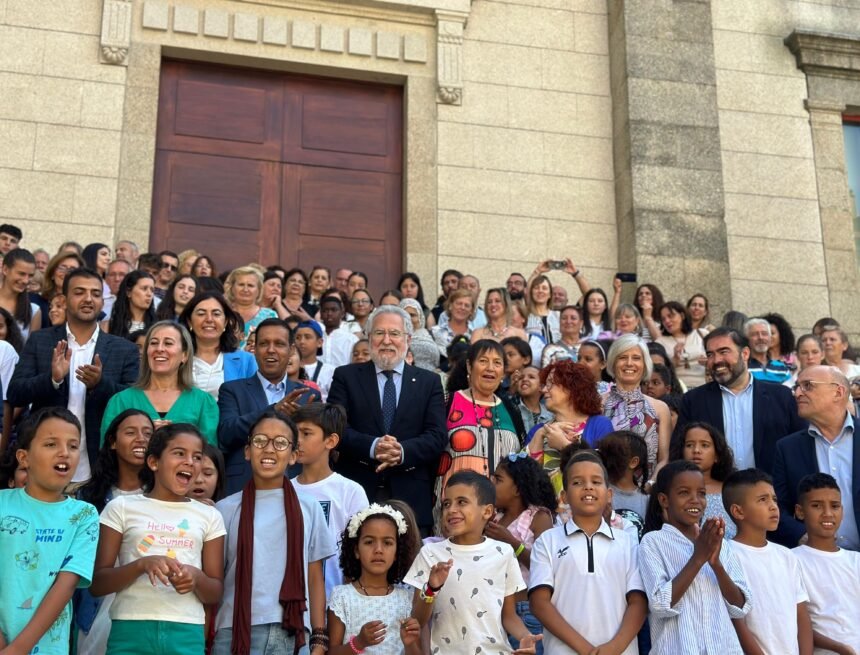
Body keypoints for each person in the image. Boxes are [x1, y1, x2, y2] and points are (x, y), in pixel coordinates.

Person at [90, 423, 226, 655]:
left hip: (187, 631)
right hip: (130, 628)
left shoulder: (210, 515)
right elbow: (98, 583)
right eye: (179, 453)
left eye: (197, 457)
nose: (189, 462)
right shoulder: (121, 508)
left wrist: (195, 578)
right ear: (153, 462)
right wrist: (142, 564)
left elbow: (214, 591)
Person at [211, 408, 334, 655]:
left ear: (293, 455)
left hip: (292, 631)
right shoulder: (224, 510)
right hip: (234, 629)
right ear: (247, 451)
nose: (269, 449)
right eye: (259, 441)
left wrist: (319, 639)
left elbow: (314, 576)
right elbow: (215, 579)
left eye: (280, 443)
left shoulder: (308, 507)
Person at [8, 268, 141, 482]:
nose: (89, 299)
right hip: (45, 465)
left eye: (96, 294)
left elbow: (135, 402)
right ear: (64, 298)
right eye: (79, 292)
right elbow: (15, 394)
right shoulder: (40, 341)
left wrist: (100, 384)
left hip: (99, 466)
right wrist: (53, 379)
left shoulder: (124, 349)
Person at [328, 305, 447, 535]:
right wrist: (374, 447)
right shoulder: (346, 377)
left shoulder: (429, 382)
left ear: (408, 339)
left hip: (411, 495)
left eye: (394, 333)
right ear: (368, 337)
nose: (386, 340)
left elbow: (437, 435)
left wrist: (401, 451)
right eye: (379, 333)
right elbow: (335, 427)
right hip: (356, 490)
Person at [404, 471, 542, 654]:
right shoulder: (430, 553)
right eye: (447, 504)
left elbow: (509, 616)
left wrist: (525, 636)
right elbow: (418, 621)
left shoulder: (503, 553)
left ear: (487, 511)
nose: (451, 509)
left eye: (461, 502)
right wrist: (431, 588)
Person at [0, 407, 99, 655]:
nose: (64, 453)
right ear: (24, 458)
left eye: (73, 446)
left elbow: (65, 586)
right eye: (51, 444)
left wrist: (18, 649)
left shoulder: (84, 515)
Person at [530, 450, 647, 654]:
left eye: (596, 481)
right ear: (564, 496)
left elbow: (638, 602)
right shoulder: (547, 541)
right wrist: (585, 649)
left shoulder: (628, 542)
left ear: (609, 494)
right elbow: (539, 603)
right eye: (577, 482)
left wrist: (614, 647)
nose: (588, 486)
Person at [639, 460, 752, 654]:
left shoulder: (719, 543)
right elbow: (659, 604)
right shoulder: (653, 542)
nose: (695, 500)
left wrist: (716, 565)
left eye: (701, 493)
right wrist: (698, 558)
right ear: (664, 500)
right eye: (684, 493)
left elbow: (740, 606)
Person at [673, 327, 805, 474]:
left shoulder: (782, 397)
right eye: (710, 354)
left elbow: (800, 447)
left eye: (724, 352)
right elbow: (679, 452)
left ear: (745, 354)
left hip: (771, 492)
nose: (716, 360)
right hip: (715, 491)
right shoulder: (694, 401)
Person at [75, 410, 154, 655]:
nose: (141, 439)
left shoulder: (166, 496)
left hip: (149, 605)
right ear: (112, 442)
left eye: (148, 434)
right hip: (98, 605)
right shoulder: (87, 498)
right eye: (130, 432)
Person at [217, 318, 321, 494]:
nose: (271, 350)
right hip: (242, 486)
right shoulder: (232, 390)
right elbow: (226, 434)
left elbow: (315, 449)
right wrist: (273, 411)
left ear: (291, 351)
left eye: (279, 344)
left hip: (295, 486)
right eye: (264, 343)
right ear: (254, 350)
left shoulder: (308, 396)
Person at [720, 468, 813, 654]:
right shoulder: (726, 554)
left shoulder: (787, 556)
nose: (773, 506)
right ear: (738, 511)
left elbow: (801, 616)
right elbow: (736, 620)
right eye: (763, 500)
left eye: (774, 499)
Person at [435, 340, 525, 529]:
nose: (490, 368)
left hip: (501, 517)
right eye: (483, 361)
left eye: (497, 363)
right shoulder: (447, 402)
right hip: (453, 511)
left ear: (503, 372)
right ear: (469, 365)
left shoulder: (511, 409)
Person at [773, 365, 860, 550]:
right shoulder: (787, 448)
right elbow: (778, 506)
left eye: (808, 386)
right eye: (796, 387)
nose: (797, 393)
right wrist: (802, 536)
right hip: (814, 562)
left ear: (838, 392)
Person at [291, 403, 370, 599]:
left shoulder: (350, 491)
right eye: (295, 433)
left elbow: (360, 550)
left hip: (335, 600)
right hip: (290, 601)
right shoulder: (285, 489)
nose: (297, 441)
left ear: (331, 440)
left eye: (306, 433)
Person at [101, 321, 220, 445]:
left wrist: (175, 435)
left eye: (168, 343)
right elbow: (107, 451)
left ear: (184, 355)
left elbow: (210, 454)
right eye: (153, 343)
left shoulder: (203, 402)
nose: (159, 349)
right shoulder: (121, 401)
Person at [327, 503, 422, 655]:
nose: (378, 550)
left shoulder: (406, 599)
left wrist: (410, 644)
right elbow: (332, 652)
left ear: (397, 551)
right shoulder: (342, 597)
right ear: (356, 550)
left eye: (387, 543)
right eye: (369, 542)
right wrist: (359, 642)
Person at [488, 454, 555, 653]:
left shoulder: (539, 517)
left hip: (525, 610)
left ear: (517, 488)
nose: (492, 484)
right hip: (493, 609)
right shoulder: (494, 518)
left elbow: (545, 567)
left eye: (498, 479)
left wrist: (511, 542)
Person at [527, 360, 613, 511]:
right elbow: (524, 477)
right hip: (542, 518)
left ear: (571, 388)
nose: (544, 390)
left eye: (551, 384)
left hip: (584, 513)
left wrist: (565, 446)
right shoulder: (538, 431)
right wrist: (540, 436)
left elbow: (604, 471)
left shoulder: (600, 424)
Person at [792, 473, 860, 654]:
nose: (828, 513)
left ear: (843, 511)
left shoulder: (856, 561)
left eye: (835, 506)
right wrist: (840, 648)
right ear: (800, 511)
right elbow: (793, 622)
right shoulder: (790, 560)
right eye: (816, 506)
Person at [603, 334, 672, 480]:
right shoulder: (598, 404)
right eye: (622, 357)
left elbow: (664, 460)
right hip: (605, 490)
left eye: (636, 358)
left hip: (645, 493)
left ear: (645, 364)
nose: (629, 363)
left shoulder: (660, 408)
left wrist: (650, 485)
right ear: (613, 363)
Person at [179, 291, 257, 400]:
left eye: (216, 314)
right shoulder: (177, 357)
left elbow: (254, 403)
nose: (209, 319)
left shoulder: (246, 360)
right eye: (201, 314)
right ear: (189, 322)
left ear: (225, 322)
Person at [672, 421, 738, 540]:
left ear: (717, 455)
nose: (696, 450)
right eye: (689, 445)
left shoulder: (731, 488)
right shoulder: (671, 487)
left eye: (705, 445)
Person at [597, 430, 650, 532]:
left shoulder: (646, 500)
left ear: (633, 462)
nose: (606, 458)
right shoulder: (599, 491)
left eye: (614, 453)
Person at [224, 266, 278, 348]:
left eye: (250, 285)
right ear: (232, 288)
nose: (245, 289)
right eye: (241, 284)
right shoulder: (223, 314)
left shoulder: (270, 316)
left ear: (259, 290)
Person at [657, 300, 706, 388]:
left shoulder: (702, 334)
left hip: (704, 386)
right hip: (678, 389)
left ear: (682, 316)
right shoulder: (660, 342)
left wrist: (708, 361)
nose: (667, 321)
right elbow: (658, 372)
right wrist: (674, 360)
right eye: (663, 319)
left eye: (670, 316)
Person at [36, 250, 85, 327]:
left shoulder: (85, 305)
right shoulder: (36, 302)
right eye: (62, 268)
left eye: (73, 270)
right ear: (52, 273)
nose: (66, 273)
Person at [0, 248, 40, 341]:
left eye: (30, 275)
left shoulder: (33, 311)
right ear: (5, 269)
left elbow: (30, 351)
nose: (26, 280)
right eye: (21, 274)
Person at [105, 270, 156, 339]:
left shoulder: (157, 327)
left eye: (152, 290)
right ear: (128, 292)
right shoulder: (109, 325)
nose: (149, 294)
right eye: (144, 289)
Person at [294, 320, 335, 400]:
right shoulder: (288, 368)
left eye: (307, 337)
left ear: (319, 342)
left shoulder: (330, 371)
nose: (302, 341)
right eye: (298, 337)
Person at [745, 317, 792, 384]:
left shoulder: (782, 368)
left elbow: (789, 392)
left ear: (770, 338)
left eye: (764, 334)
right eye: (755, 334)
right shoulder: (742, 367)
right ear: (747, 339)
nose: (760, 337)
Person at [430, 288, 474, 359]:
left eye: (467, 305)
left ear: (471, 311)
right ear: (450, 306)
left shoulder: (475, 334)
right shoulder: (435, 332)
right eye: (459, 303)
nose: (462, 307)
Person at [399, 298, 439, 372]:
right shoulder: (395, 338)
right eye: (405, 315)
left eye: (412, 315)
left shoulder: (431, 334)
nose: (408, 318)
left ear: (420, 317)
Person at [319, 296, 358, 368]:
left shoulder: (351, 340)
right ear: (320, 314)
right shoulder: (316, 338)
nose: (329, 313)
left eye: (334, 310)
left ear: (342, 313)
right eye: (325, 310)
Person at [512, 365, 553, 433]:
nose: (524, 379)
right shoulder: (511, 411)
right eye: (521, 378)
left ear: (541, 386)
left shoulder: (551, 416)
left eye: (531, 377)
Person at [524, 274, 559, 349]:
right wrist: (537, 271)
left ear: (550, 294)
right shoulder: (525, 315)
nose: (540, 291)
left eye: (544, 288)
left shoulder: (558, 316)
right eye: (536, 288)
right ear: (531, 292)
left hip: (558, 359)